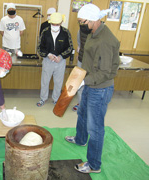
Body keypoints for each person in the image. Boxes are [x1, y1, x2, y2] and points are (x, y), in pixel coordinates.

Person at [65, 4, 120, 173]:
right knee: (82, 113)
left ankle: (94, 165)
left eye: (83, 22)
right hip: (89, 82)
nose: (82, 25)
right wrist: (81, 76)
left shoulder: (105, 40)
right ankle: (81, 139)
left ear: (93, 19)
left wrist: (83, 81)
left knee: (95, 128)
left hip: (100, 88)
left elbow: (105, 73)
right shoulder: (94, 32)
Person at [37, 12, 74, 107]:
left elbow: (70, 48)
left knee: (58, 82)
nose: (55, 26)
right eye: (53, 24)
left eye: (57, 24)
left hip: (60, 62)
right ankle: (43, 99)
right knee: (45, 81)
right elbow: (39, 48)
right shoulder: (45, 32)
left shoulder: (66, 33)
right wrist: (48, 54)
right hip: (47, 61)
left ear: (61, 23)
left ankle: (56, 99)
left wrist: (61, 56)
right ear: (50, 23)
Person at [72, 29, 88, 112]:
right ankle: (80, 103)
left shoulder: (99, 31)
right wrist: (79, 54)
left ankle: (87, 105)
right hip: (81, 60)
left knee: (90, 84)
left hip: (92, 62)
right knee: (79, 82)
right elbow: (79, 44)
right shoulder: (81, 30)